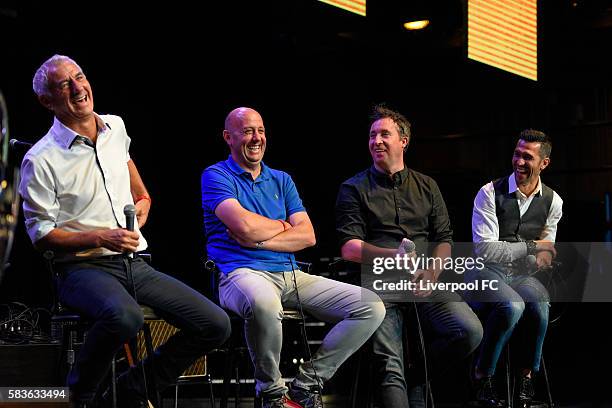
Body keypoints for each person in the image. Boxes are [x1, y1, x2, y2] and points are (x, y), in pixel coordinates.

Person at [20, 55, 231, 408]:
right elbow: (41, 236)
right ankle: (78, 397)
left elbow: (140, 192)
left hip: (133, 264)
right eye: (64, 85)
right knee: (125, 317)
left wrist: (144, 204)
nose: (78, 88)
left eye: (80, 77)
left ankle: (133, 390)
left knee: (216, 324)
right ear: (48, 101)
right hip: (80, 269)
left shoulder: (115, 128)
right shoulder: (41, 159)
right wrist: (101, 236)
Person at [201, 107, 386, 408]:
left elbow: (308, 236)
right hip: (239, 272)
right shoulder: (215, 175)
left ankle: (305, 385)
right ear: (228, 137)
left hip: (291, 274)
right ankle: (272, 394)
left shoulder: (281, 180)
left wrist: (259, 240)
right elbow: (243, 227)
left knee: (371, 306)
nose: (256, 137)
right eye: (247, 131)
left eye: (260, 130)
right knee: (264, 303)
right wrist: (283, 229)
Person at [335, 105, 483, 408]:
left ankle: (416, 376)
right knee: (389, 365)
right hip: (378, 283)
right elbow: (349, 248)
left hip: (422, 280)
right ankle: (401, 376)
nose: (376, 141)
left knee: (468, 331)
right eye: (372, 135)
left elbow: (444, 239)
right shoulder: (353, 188)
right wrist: (393, 256)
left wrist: (432, 273)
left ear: (403, 141)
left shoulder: (427, 186)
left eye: (384, 134)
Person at [465, 129, 562, 407]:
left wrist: (540, 255)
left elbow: (546, 250)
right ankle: (482, 376)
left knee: (540, 301)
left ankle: (526, 381)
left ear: (543, 163)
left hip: (521, 274)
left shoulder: (554, 202)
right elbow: (485, 250)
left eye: (527, 157)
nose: (519, 161)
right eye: (517, 154)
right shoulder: (488, 193)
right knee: (512, 305)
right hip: (485, 272)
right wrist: (532, 248)